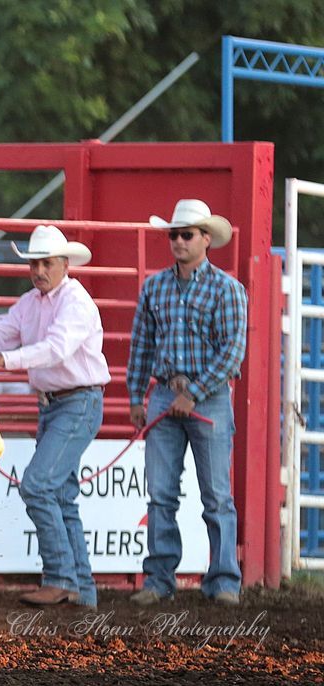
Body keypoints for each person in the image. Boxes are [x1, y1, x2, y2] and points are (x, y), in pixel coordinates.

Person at [0, 224, 110, 608]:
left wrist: (2, 360)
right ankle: (82, 591)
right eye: (34, 264)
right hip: (61, 404)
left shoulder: (76, 302)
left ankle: (60, 578)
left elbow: (55, 349)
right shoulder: (32, 302)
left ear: (64, 264)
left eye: (47, 263)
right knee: (60, 495)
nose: (39, 270)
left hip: (77, 402)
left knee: (38, 486)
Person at [126, 199, 247, 607]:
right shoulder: (154, 287)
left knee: (216, 497)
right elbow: (142, 346)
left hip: (207, 399)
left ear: (205, 239)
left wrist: (191, 392)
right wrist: (136, 396)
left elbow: (232, 352)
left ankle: (224, 580)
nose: (178, 241)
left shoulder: (227, 289)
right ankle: (159, 580)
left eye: (186, 234)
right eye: (174, 235)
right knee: (160, 494)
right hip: (165, 394)